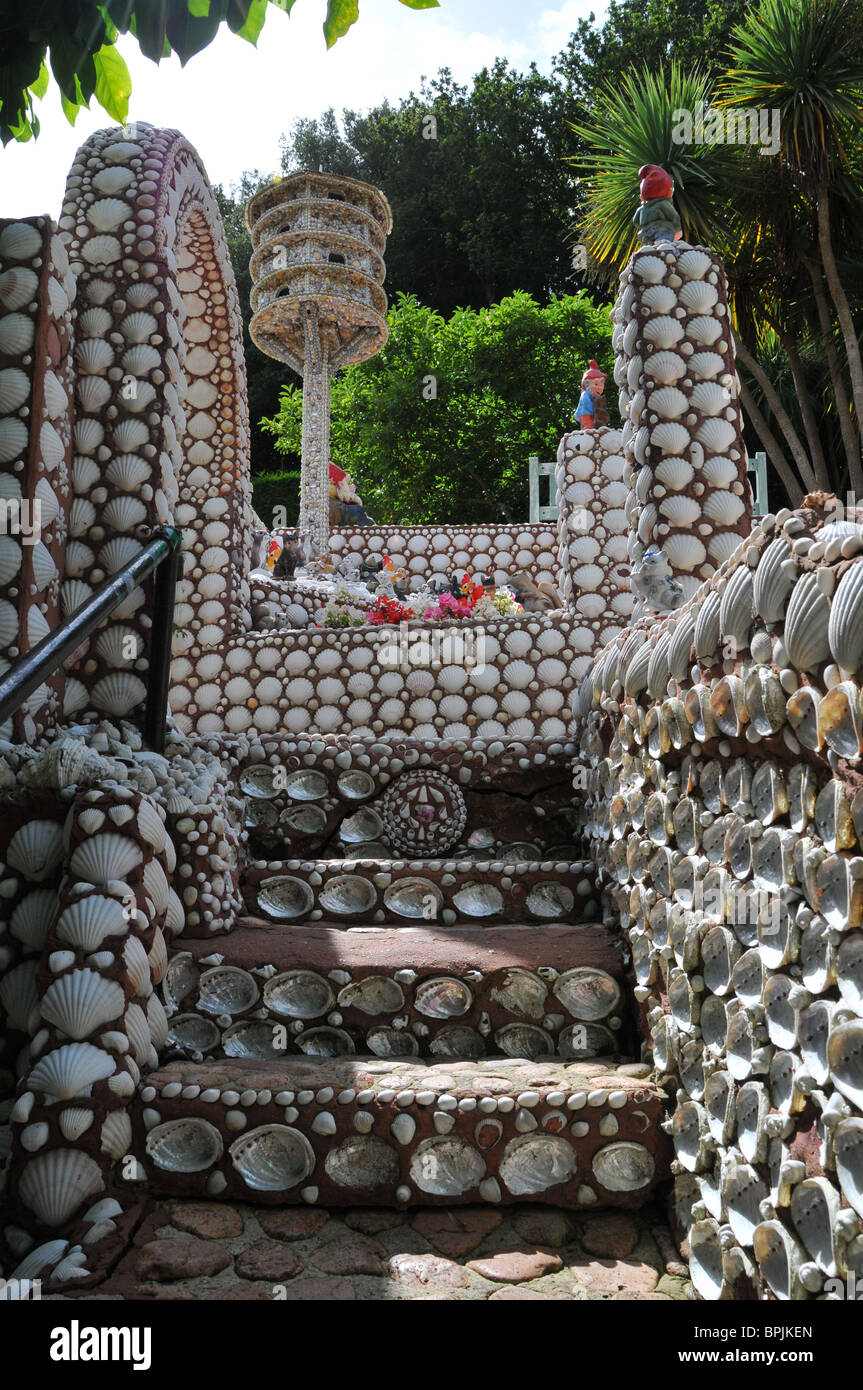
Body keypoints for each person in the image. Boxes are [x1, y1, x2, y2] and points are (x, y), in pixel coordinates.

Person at [632, 164, 682, 246]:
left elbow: (635, 221)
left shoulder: (641, 209)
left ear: (642, 196)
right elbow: (674, 216)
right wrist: (678, 230)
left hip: (645, 233)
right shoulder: (663, 204)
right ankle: (665, 250)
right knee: (664, 244)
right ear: (668, 192)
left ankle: (650, 251)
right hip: (662, 230)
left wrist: (645, 225)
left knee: (649, 249)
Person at [574, 360, 609, 429]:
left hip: (593, 415)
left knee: (595, 426)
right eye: (596, 384)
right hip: (586, 414)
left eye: (601, 385)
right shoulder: (586, 395)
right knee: (589, 425)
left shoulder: (595, 396)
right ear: (586, 384)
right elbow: (586, 406)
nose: (599, 388)